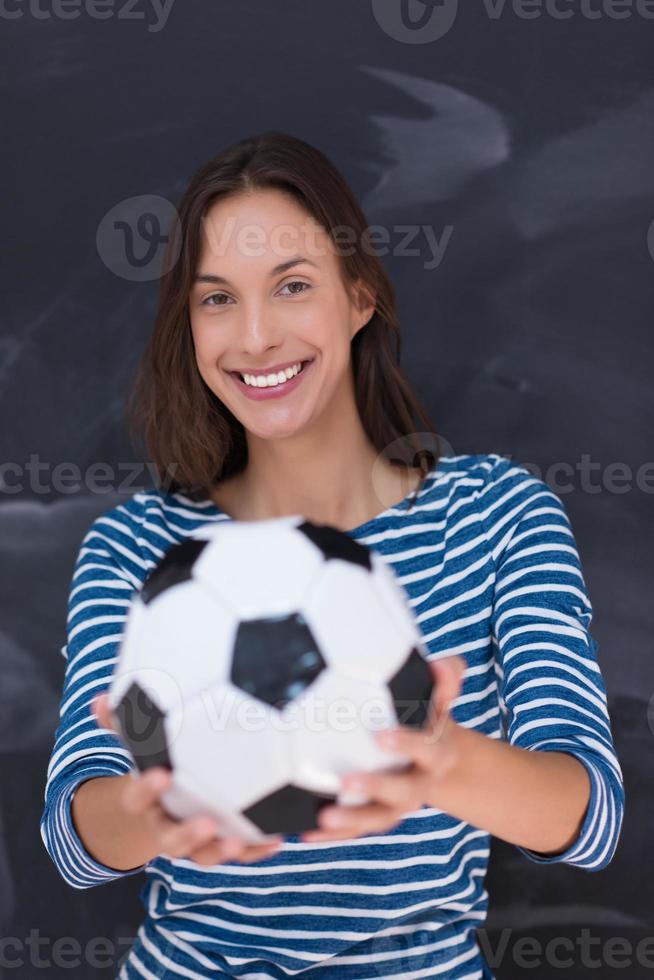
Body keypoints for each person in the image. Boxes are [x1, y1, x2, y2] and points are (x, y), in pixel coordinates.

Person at [40, 131, 624, 980]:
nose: (255, 336)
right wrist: (153, 813)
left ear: (359, 298)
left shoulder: (495, 515)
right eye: (216, 300)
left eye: (293, 286)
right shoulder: (139, 550)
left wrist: (441, 760)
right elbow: (74, 837)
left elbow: (592, 818)